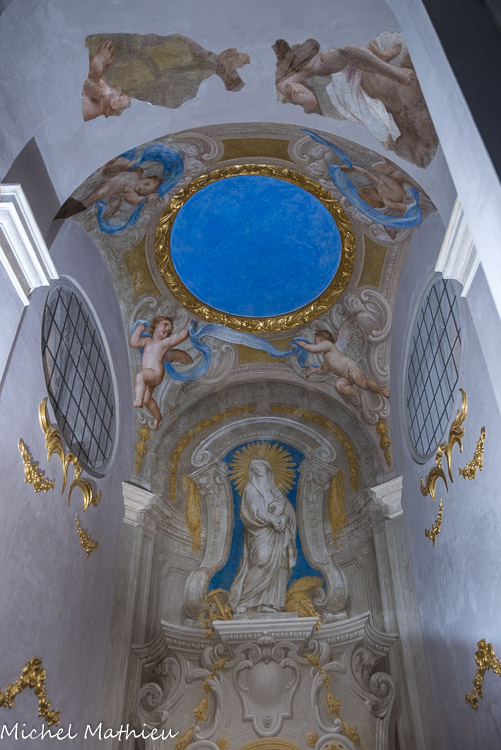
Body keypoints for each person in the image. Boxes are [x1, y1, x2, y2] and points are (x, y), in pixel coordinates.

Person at [229, 459, 297, 614]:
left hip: (279, 533)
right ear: (251, 471)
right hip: (260, 532)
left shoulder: (275, 491)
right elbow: (252, 511)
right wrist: (271, 519)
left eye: (261, 464)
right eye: (254, 465)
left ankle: (269, 603)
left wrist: (283, 518)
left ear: (268, 469)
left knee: (279, 564)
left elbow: (288, 510)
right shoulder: (250, 489)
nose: (257, 467)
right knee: (263, 560)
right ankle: (245, 600)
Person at [129, 316, 193, 429]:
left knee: (140, 375)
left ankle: (138, 400)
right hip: (149, 376)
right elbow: (134, 343)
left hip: (155, 373)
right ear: (156, 324)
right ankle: (158, 416)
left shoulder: (163, 344)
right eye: (165, 325)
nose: (166, 330)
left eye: (168, 331)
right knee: (147, 399)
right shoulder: (147, 341)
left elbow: (180, 336)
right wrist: (139, 329)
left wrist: (189, 324)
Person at [55, 156, 162, 221]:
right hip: (112, 173)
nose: (141, 187)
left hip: (108, 187)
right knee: (124, 161)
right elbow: (135, 162)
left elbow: (136, 200)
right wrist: (128, 165)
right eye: (146, 184)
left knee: (92, 198)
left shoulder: (131, 193)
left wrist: (146, 198)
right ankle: (105, 166)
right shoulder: (139, 171)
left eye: (143, 191)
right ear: (148, 177)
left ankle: (69, 212)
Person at [297, 329, 390, 401]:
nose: (314, 343)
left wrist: (304, 345)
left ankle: (382, 390)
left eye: (315, 341)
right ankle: (358, 393)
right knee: (339, 386)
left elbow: (314, 349)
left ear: (322, 339)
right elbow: (323, 370)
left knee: (362, 383)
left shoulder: (328, 345)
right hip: (344, 376)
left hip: (349, 368)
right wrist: (313, 371)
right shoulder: (326, 358)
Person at [82, 40, 131, 122]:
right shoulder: (102, 102)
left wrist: (101, 59)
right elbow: (91, 84)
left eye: (121, 93)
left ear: (114, 103)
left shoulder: (106, 96)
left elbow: (91, 82)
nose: (119, 88)